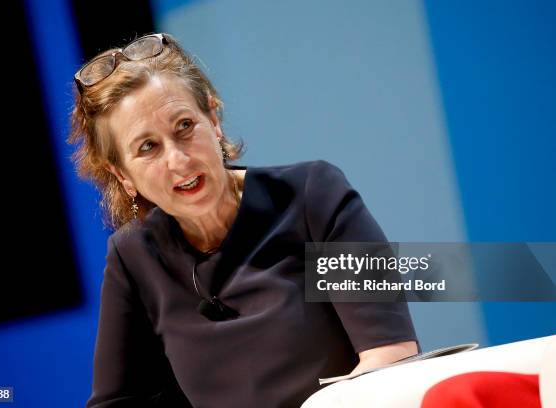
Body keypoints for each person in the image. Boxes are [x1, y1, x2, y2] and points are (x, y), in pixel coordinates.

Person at [69, 32, 419, 408]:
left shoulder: (313, 197)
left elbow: (389, 359)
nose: (178, 160)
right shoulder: (133, 257)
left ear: (213, 119)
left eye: (185, 126)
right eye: (148, 147)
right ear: (122, 174)